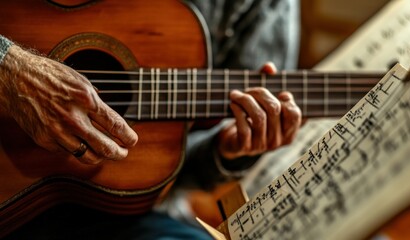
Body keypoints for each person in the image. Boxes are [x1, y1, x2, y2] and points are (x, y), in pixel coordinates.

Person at [1, 0, 302, 238]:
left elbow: (177, 164)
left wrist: (225, 148)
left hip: (122, 215)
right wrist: (11, 68)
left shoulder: (267, 4)